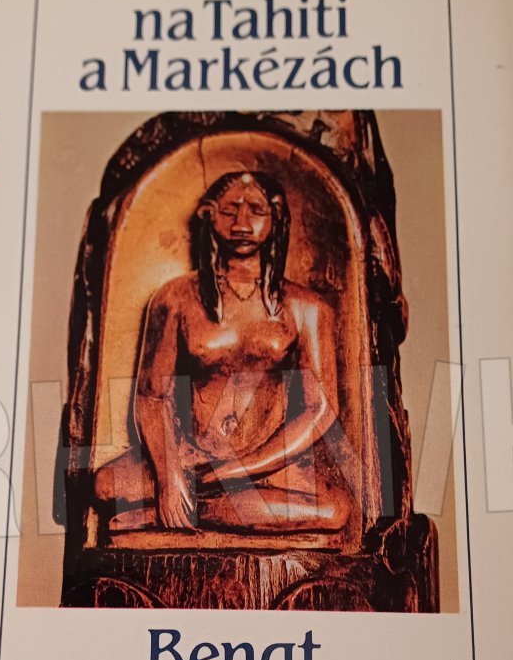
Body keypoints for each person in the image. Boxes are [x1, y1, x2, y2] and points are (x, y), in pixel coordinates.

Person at [94, 170, 352, 533]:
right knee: (105, 486)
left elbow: (319, 409)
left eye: (256, 211)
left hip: (270, 462)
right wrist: (170, 476)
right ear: (210, 216)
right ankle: (201, 503)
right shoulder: (175, 299)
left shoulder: (307, 308)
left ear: (276, 218)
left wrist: (237, 471)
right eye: (230, 210)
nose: (241, 223)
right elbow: (152, 396)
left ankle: (177, 512)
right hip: (189, 455)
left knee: (334, 510)